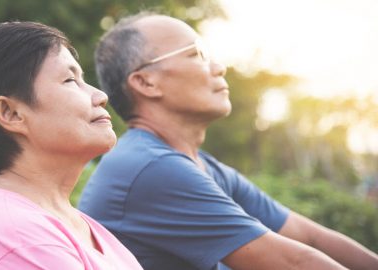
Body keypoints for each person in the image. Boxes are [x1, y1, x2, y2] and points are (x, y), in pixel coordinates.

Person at [78, 13, 378, 270]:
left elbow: (310, 237)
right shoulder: (151, 168)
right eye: (195, 54)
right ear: (145, 82)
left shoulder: (199, 164)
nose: (218, 67)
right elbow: (294, 262)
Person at [0, 21, 143, 270]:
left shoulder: (70, 224)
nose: (100, 96)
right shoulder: (15, 236)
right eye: (70, 80)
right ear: (10, 113)